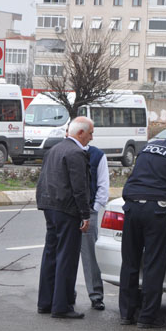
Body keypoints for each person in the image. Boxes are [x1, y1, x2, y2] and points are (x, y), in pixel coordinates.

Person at [119, 126, 166, 329]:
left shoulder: (146, 149)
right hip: (157, 211)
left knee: (130, 262)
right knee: (154, 263)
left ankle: (126, 314)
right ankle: (147, 317)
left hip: (132, 207)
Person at [36, 116, 93, 319]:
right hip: (67, 210)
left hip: (50, 206)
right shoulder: (76, 153)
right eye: (90, 133)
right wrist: (85, 214)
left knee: (50, 254)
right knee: (66, 258)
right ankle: (61, 306)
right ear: (80, 133)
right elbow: (79, 188)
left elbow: (43, 179)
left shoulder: (55, 149)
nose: (91, 138)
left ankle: (45, 302)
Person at [80, 144, 109, 311]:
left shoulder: (97, 155)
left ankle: (96, 296)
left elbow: (103, 185)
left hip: (88, 210)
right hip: (68, 211)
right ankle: (67, 294)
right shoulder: (63, 150)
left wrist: (95, 209)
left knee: (90, 256)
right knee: (65, 256)